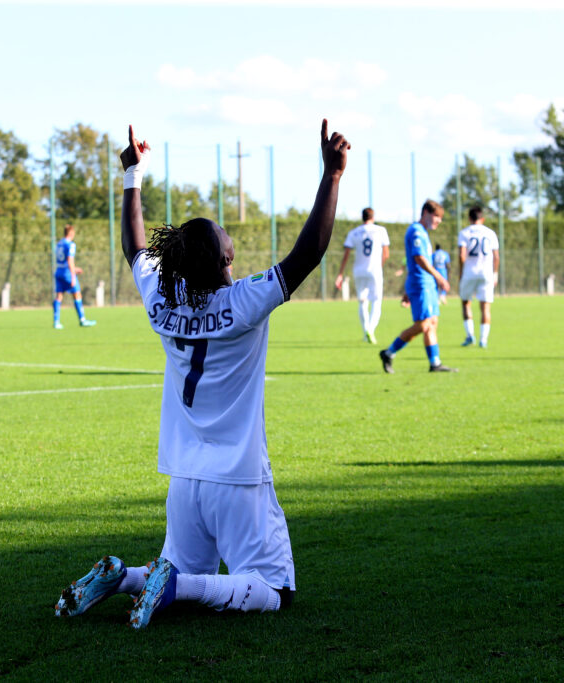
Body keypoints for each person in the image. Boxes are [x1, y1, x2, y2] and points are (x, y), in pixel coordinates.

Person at [55, 120, 350, 629]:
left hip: (184, 479)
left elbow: (134, 249)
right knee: (275, 589)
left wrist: (133, 176)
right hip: (236, 478)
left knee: (178, 570)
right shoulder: (242, 303)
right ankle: (172, 585)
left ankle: (124, 576)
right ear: (225, 259)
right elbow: (307, 255)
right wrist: (332, 176)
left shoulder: (162, 302)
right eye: (228, 245)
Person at [379, 200, 456, 373]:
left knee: (431, 322)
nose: (439, 221)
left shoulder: (423, 232)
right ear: (426, 213)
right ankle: (389, 352)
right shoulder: (416, 231)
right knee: (423, 324)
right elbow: (419, 258)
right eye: (436, 216)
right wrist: (439, 277)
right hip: (422, 284)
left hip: (425, 284)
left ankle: (435, 363)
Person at [334, 207, 389, 344]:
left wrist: (340, 274)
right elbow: (386, 254)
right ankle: (370, 330)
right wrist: (379, 266)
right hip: (375, 271)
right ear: (373, 217)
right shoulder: (381, 230)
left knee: (362, 301)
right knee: (376, 301)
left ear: (362, 217)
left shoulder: (354, 233)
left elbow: (346, 255)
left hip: (358, 271)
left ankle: (366, 331)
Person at [457, 206, 500, 348]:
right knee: (485, 307)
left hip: (469, 272)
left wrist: (461, 273)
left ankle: (470, 336)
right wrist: (495, 274)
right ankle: (483, 340)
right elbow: (496, 257)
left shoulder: (464, 233)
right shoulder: (490, 233)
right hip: (486, 273)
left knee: (466, 303)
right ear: (482, 218)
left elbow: (462, 256)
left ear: (469, 218)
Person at [52, 223, 96, 329]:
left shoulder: (59, 244)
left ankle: (56, 322)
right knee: (77, 295)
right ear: (71, 233)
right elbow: (69, 260)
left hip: (59, 271)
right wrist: (73, 275)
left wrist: (74, 269)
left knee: (59, 297)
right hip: (67, 273)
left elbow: (61, 260)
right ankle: (82, 320)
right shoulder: (70, 244)